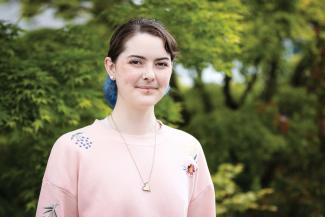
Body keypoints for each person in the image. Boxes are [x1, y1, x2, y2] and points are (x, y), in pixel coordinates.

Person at [36, 18, 216, 217]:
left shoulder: (188, 149)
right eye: (136, 62)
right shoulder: (73, 148)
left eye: (161, 64)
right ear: (111, 67)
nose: (149, 74)